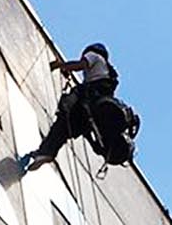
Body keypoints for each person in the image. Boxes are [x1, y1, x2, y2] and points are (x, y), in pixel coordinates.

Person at [20, 44, 119, 173]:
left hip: (88, 101)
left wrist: (59, 65)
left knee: (63, 120)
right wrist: (67, 70)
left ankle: (46, 151)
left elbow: (79, 65)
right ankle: (45, 152)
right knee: (65, 128)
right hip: (91, 113)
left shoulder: (94, 56)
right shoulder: (105, 74)